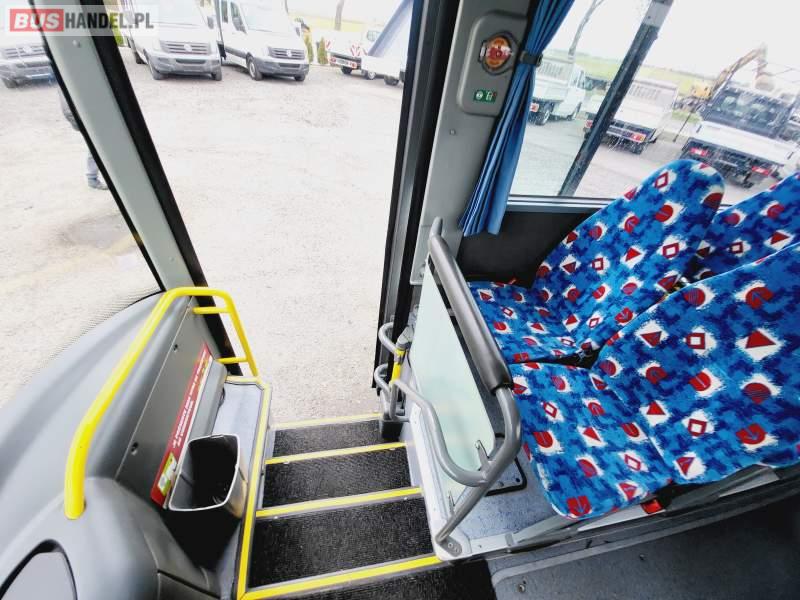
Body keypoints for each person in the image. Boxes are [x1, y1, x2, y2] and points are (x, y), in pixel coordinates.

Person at [59, 89, 108, 190]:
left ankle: (92, 177)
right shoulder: (69, 83)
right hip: (87, 120)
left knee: (97, 146)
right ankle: (92, 178)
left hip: (90, 118)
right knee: (97, 146)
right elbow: (68, 111)